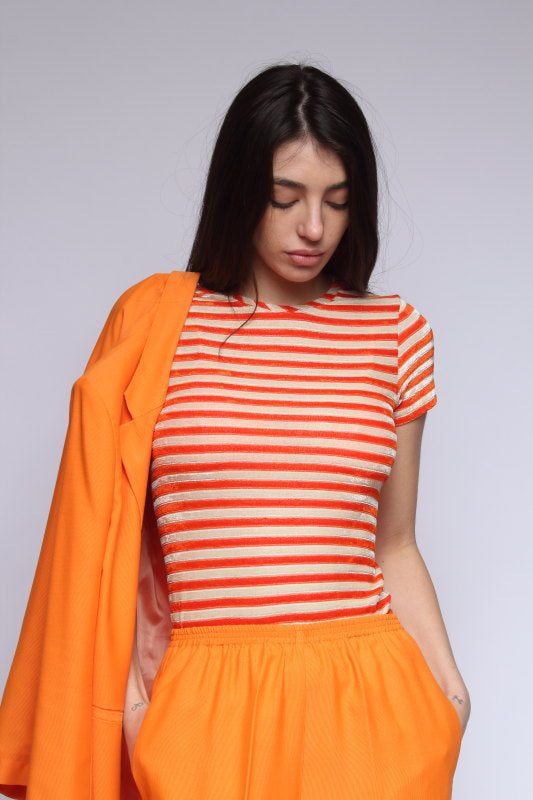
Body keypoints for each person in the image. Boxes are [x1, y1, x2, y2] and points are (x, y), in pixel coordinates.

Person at [0, 63, 471, 800]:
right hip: (206, 703)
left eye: (338, 201)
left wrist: (451, 695)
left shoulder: (394, 333)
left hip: (369, 701)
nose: (313, 227)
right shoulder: (157, 325)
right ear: (238, 189)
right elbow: (101, 550)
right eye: (285, 198)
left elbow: (395, 543)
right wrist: (132, 710)